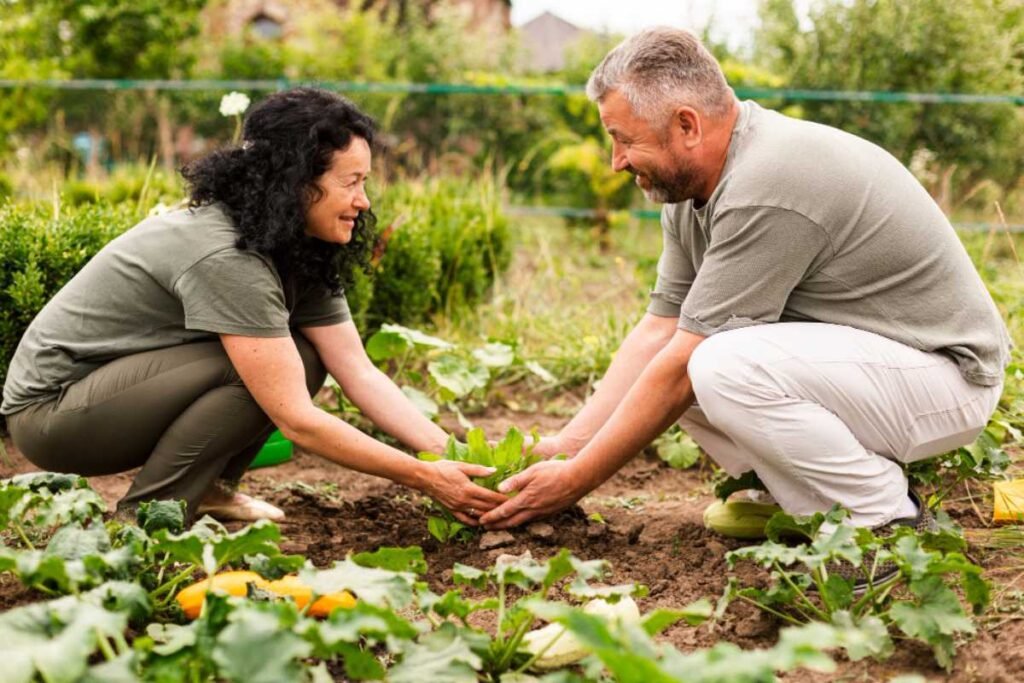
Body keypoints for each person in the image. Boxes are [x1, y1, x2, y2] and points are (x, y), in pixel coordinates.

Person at [480, 29, 1010, 558]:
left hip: (945, 378)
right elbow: (659, 333)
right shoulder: (688, 190)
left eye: (625, 139)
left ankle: (880, 516)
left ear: (686, 125)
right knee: (676, 366)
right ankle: (795, 497)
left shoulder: (768, 181)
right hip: (868, 370)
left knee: (712, 365)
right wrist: (567, 445)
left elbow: (683, 362)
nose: (616, 161)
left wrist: (575, 480)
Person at [2, 88, 506, 524]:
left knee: (305, 359)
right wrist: (425, 477)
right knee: (263, 374)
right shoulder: (227, 253)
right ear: (295, 181)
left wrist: (462, 459)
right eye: (350, 182)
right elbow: (298, 421)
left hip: (118, 391)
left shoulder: (296, 243)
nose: (364, 201)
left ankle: (209, 490)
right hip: (56, 415)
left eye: (365, 182)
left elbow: (358, 371)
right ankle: (149, 517)